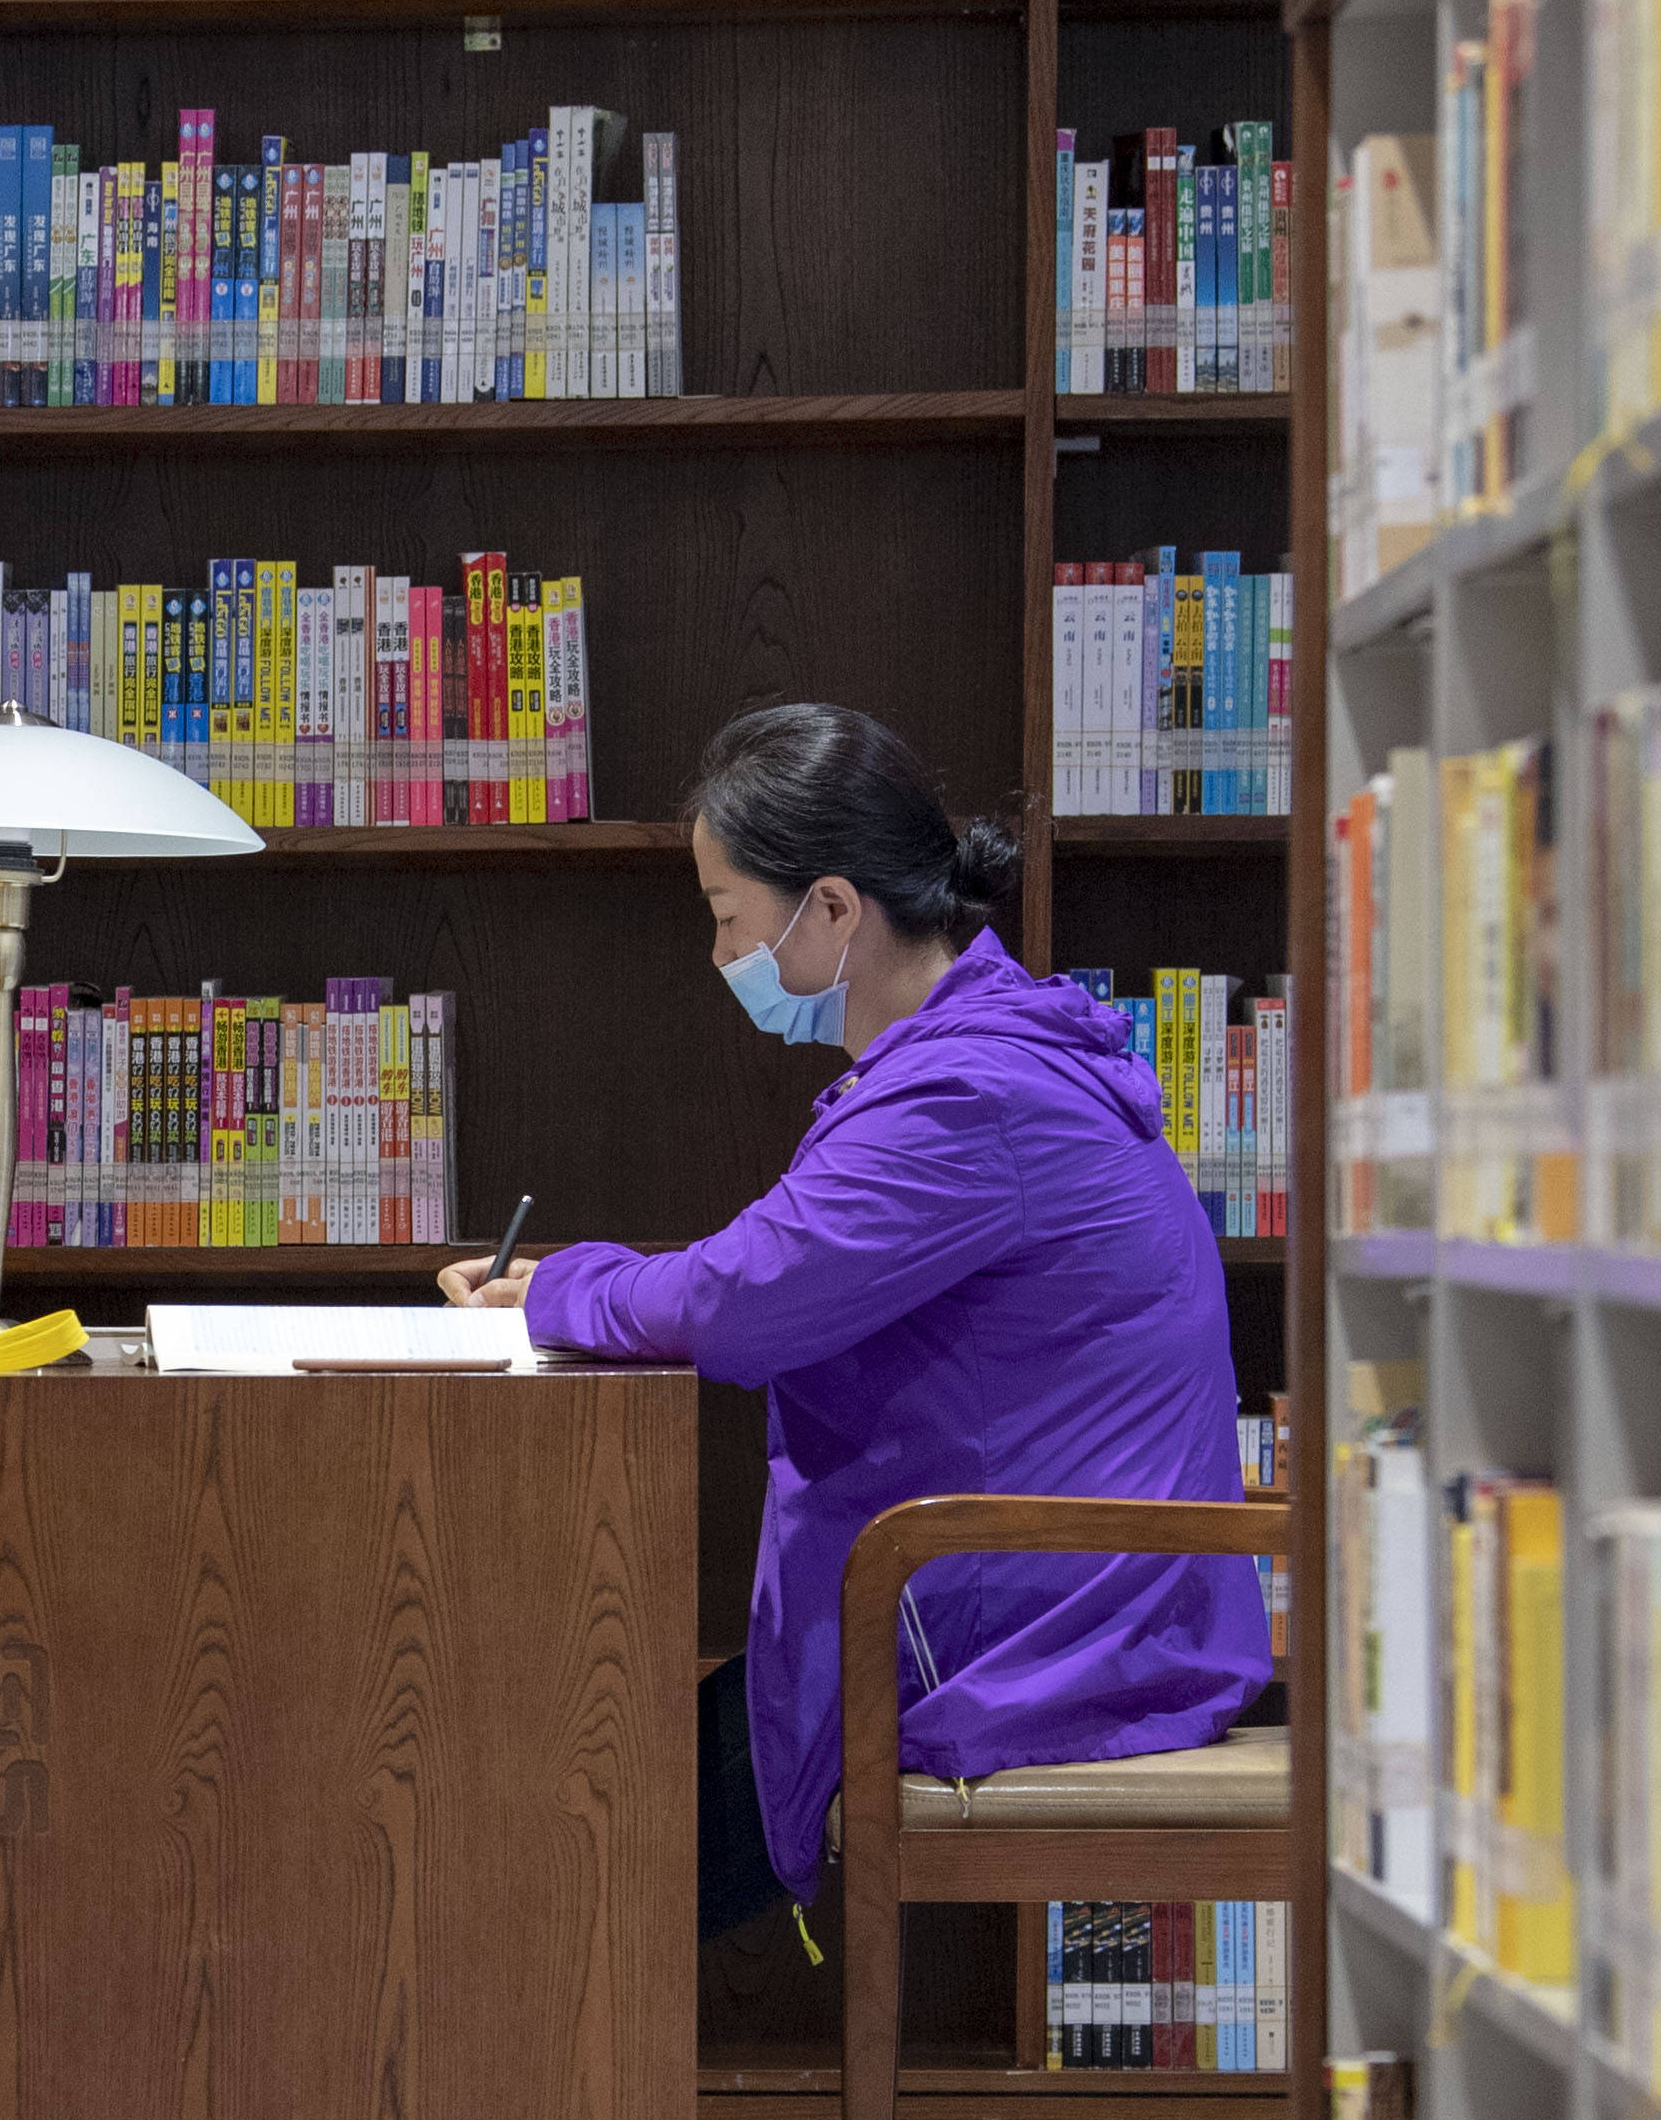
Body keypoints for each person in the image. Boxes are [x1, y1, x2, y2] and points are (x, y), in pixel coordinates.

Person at [441, 700, 1267, 1943]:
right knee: (590, 1802)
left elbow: (743, 1302)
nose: (719, 953)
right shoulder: (991, 1052)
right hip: (1072, 1596)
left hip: (1032, 1634)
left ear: (829, 909)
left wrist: (561, 1288)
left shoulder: (965, 1093)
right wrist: (591, 1287)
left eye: (728, 917)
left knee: (568, 1857)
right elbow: (772, 1268)